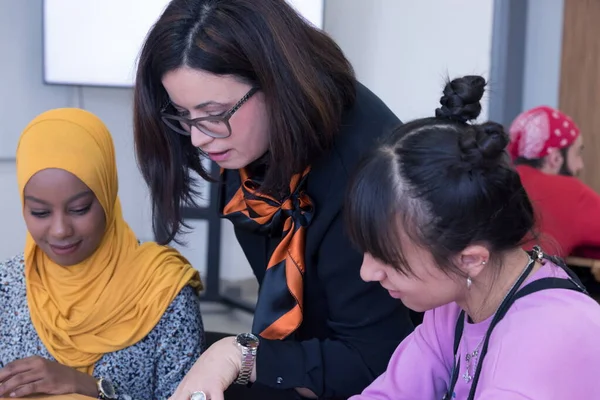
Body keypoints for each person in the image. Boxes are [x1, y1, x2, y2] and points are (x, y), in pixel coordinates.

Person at [133, 0, 414, 398]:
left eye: (213, 112)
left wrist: (242, 356)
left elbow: (375, 363)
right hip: (313, 353)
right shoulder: (249, 137)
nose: (197, 137)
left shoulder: (361, 174)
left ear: (276, 81)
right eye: (182, 113)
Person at [344, 76, 600, 399]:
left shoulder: (538, 349)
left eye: (387, 257)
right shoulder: (455, 301)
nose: (367, 272)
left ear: (471, 259)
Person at [0, 108, 205, 400]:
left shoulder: (163, 292)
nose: (60, 230)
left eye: (80, 208)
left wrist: (92, 388)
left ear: (107, 195)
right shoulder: (8, 286)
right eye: (40, 212)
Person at [507, 106, 600, 260]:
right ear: (555, 158)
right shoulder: (570, 193)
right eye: (577, 153)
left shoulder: (496, 181)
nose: (580, 165)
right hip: (531, 283)